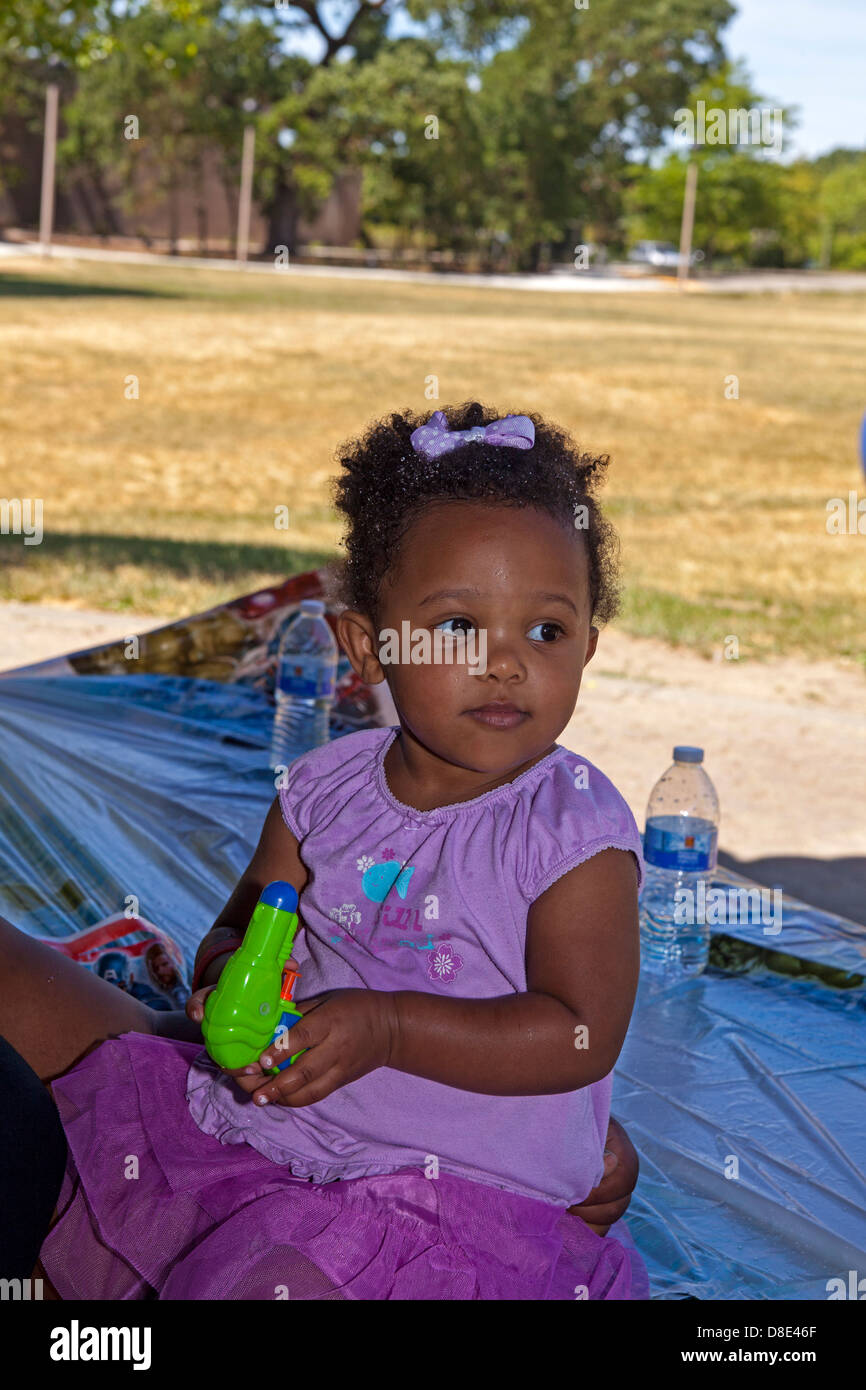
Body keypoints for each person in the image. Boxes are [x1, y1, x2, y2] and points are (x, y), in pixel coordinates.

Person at [14, 401, 647, 1299]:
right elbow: (243, 926)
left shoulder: (571, 832)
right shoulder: (323, 791)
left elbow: (579, 1034)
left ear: (590, 642)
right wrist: (232, 977)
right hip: (275, 1141)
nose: (507, 663)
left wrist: (386, 1027)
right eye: (459, 627)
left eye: (546, 630)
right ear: (367, 646)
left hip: (451, 1211)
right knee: (96, 1189)